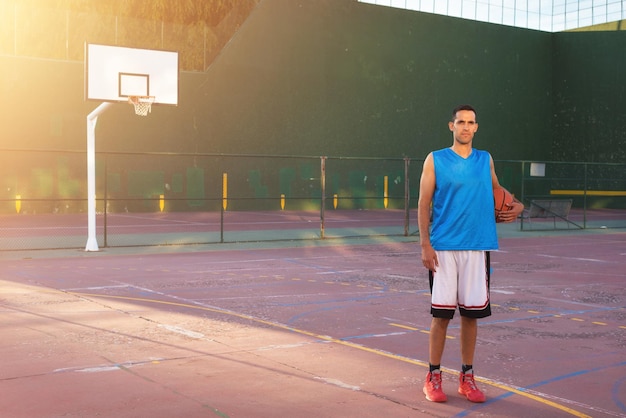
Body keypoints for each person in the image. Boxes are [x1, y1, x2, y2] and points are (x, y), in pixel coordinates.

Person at [417, 104, 523, 403]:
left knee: (471, 316)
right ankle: (433, 376)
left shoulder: (484, 159)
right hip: (444, 248)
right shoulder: (435, 159)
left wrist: (519, 206)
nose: (466, 127)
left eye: (471, 122)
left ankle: (467, 377)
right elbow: (424, 204)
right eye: (460, 122)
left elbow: (498, 192)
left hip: (477, 246)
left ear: (476, 127)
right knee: (441, 316)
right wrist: (425, 244)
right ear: (451, 126)